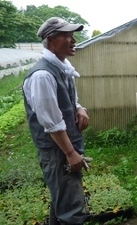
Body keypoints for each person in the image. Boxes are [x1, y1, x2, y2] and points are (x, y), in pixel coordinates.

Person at [22, 17, 90, 225]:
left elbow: (69, 100)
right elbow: (51, 122)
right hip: (57, 150)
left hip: (65, 145)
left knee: (62, 199)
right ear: (51, 40)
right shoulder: (43, 75)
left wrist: (79, 108)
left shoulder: (63, 68)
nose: (73, 40)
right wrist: (70, 154)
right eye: (67, 35)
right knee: (72, 210)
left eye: (73, 35)